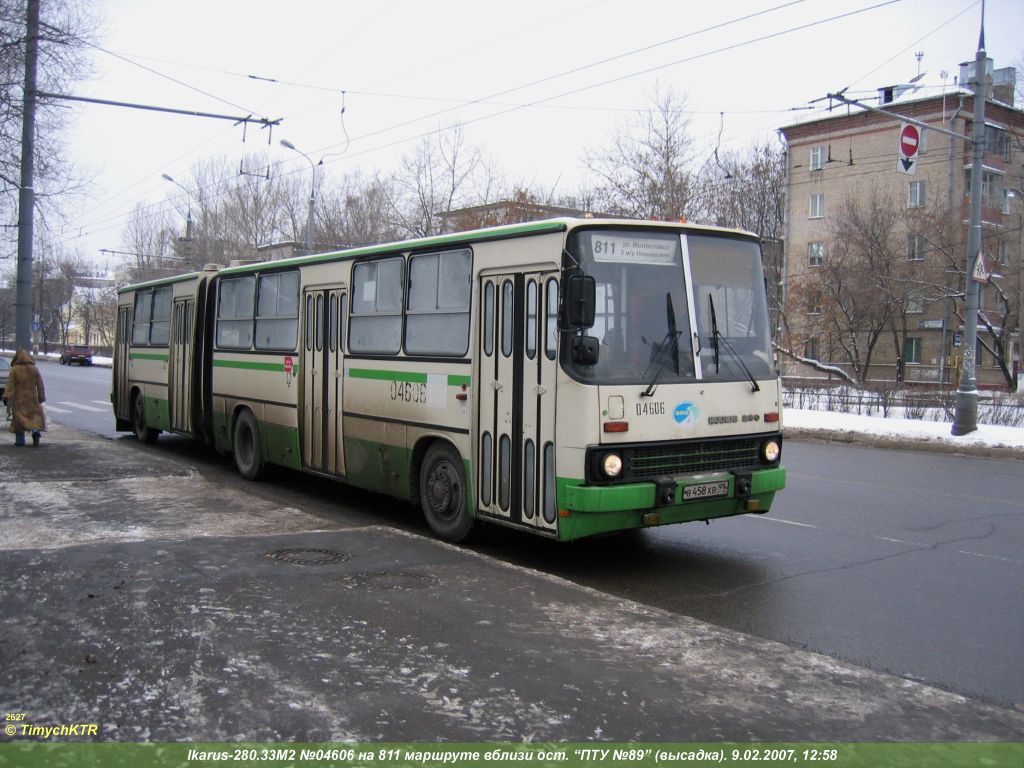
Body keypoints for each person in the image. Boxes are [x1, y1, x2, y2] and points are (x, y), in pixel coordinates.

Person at [4, 349, 46, 447]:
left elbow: (10, 385)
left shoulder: (14, 370)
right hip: (32, 398)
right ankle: (35, 432)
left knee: (19, 420)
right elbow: (40, 385)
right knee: (34, 417)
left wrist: (6, 397)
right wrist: (41, 397)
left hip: (19, 399)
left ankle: (20, 441)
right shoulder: (34, 369)